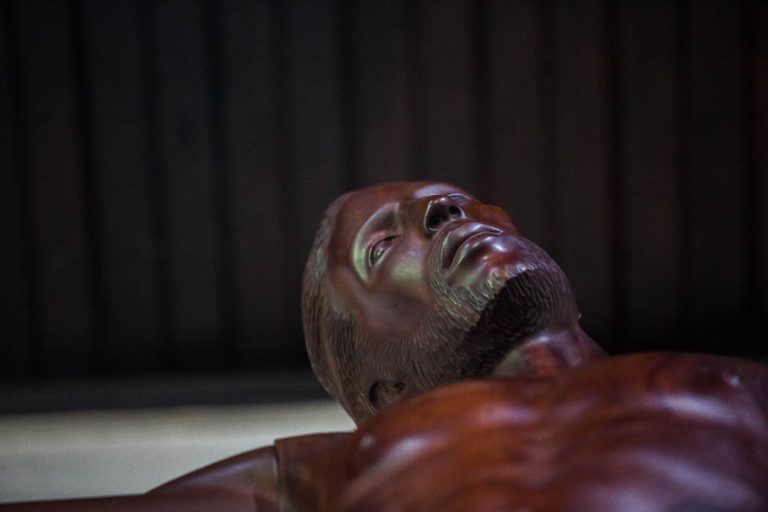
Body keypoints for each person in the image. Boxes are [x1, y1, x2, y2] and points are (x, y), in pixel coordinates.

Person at [4, 181, 768, 511]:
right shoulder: (318, 474)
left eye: (457, 201)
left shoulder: (744, 384)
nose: (444, 209)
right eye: (381, 246)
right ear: (384, 397)